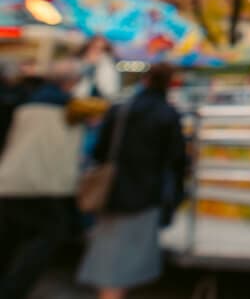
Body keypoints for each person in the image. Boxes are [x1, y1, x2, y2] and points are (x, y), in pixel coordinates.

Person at [76, 63, 187, 299]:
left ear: (145, 80)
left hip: (113, 188)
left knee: (110, 252)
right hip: (147, 192)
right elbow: (177, 159)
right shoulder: (168, 114)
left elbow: (100, 151)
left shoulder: (120, 110)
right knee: (127, 258)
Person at [0, 60, 100, 299]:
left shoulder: (24, 104)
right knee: (46, 237)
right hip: (47, 186)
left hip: (10, 181)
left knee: (10, 241)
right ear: (72, 82)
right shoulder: (73, 109)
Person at [76, 35, 121, 99]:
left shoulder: (108, 65)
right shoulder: (79, 62)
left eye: (101, 49)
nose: (96, 51)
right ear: (88, 47)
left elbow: (110, 88)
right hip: (79, 98)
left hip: (103, 98)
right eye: (94, 47)